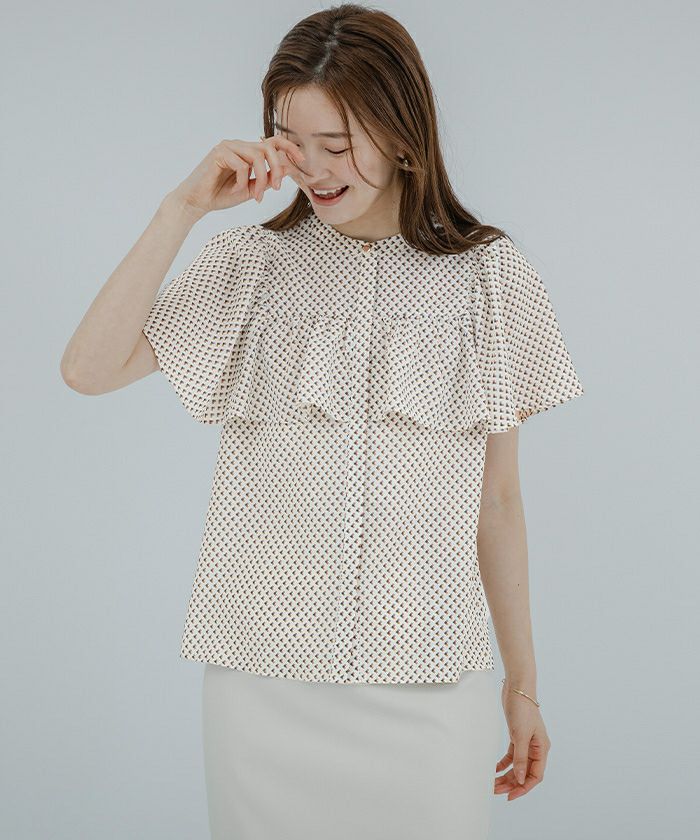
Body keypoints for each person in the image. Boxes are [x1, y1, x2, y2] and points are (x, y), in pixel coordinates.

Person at [61, 4, 584, 839]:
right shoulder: (250, 265)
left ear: (404, 134)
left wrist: (522, 687)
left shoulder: (490, 277)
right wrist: (181, 208)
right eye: (289, 139)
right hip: (262, 685)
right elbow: (87, 370)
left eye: (336, 145)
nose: (311, 168)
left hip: (429, 687)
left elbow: (499, 502)